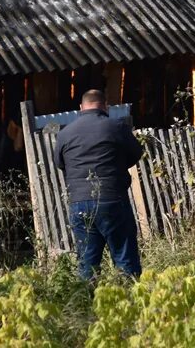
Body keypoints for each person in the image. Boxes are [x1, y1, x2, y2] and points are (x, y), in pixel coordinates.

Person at [53, 89, 144, 279]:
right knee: (125, 260)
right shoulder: (116, 127)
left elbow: (61, 164)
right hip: (112, 199)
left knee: (87, 264)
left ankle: (87, 305)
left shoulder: (64, 134)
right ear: (105, 106)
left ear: (80, 107)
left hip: (79, 203)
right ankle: (129, 302)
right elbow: (136, 154)